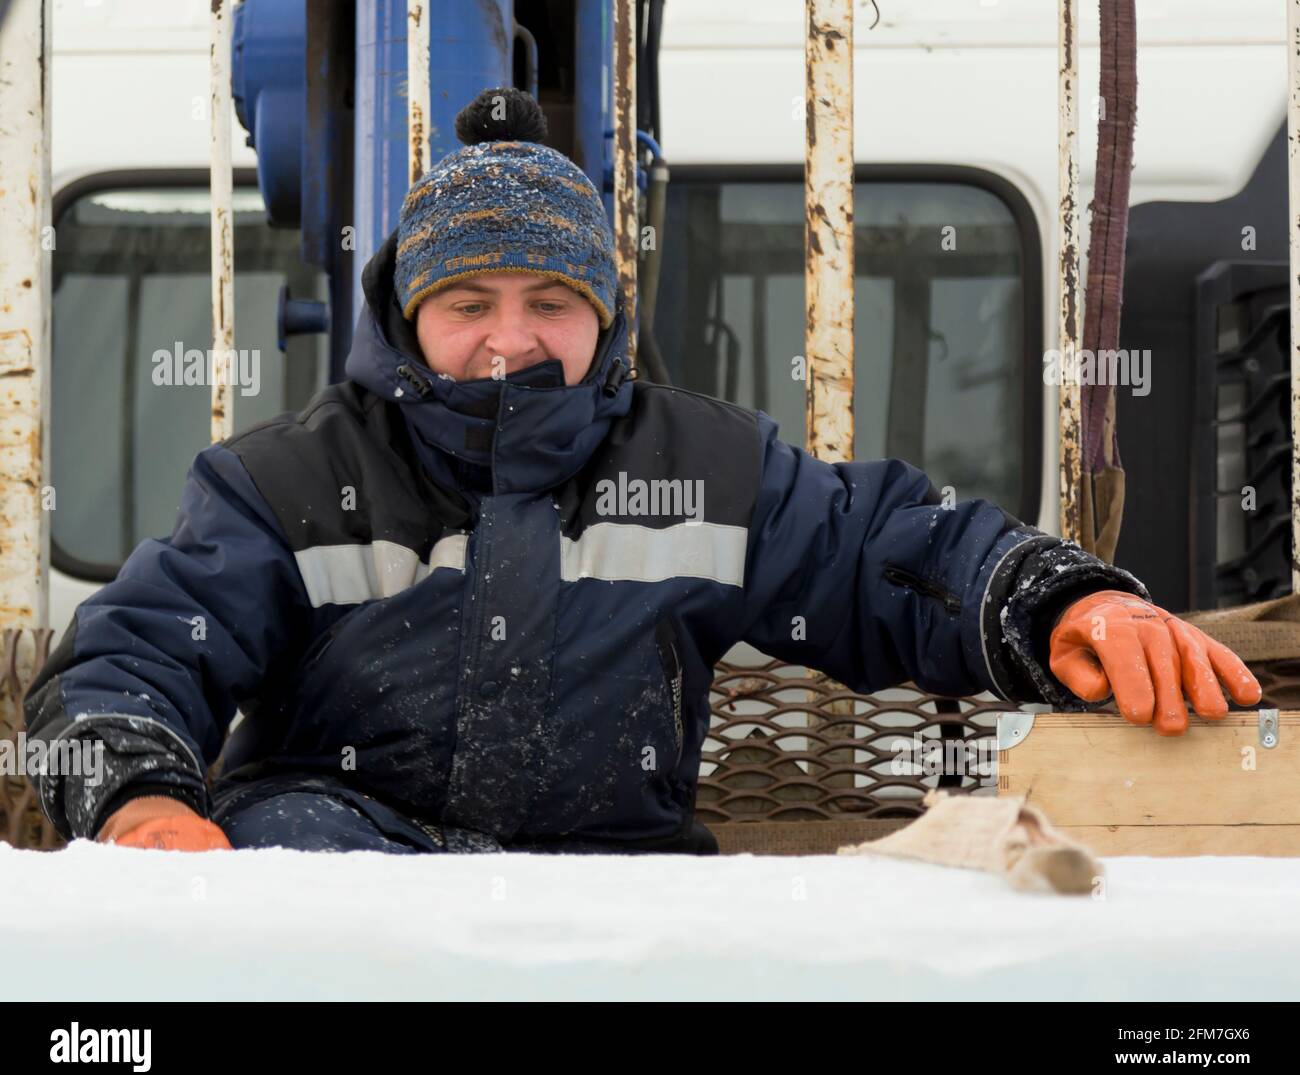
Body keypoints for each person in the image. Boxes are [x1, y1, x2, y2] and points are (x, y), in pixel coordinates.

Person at [26, 88, 1262, 855]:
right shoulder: (277, 484)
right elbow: (130, 663)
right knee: (294, 838)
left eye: (550, 300)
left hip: (614, 907)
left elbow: (894, 553)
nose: (509, 338)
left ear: (604, 319)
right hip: (326, 866)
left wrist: (1060, 601)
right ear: (406, 318)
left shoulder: (710, 467)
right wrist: (139, 801)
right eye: (466, 301)